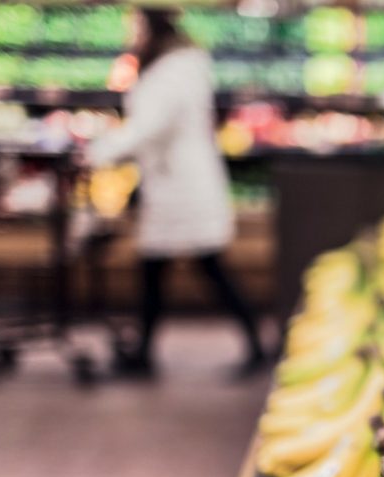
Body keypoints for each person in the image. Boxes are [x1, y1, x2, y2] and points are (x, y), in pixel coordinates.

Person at [84, 7, 265, 377]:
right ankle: (146, 352)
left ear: (152, 28)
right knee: (158, 269)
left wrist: (100, 151)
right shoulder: (180, 66)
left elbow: (150, 127)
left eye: (135, 26)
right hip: (173, 183)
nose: (131, 35)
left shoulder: (172, 72)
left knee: (205, 267)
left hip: (181, 186)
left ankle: (254, 345)